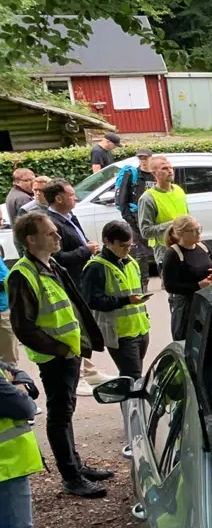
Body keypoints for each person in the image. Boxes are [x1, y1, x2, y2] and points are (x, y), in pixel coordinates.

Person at [6, 212, 111, 498]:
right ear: (31, 239)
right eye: (50, 233)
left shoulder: (50, 265)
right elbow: (23, 327)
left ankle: (75, 465)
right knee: (59, 415)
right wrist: (61, 349)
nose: (58, 236)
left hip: (68, 353)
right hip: (55, 357)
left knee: (66, 410)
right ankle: (71, 476)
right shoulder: (23, 274)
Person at [0, 355, 63, 528]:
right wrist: (21, 389)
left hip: (7, 466)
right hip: (5, 467)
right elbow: (24, 405)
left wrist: (19, 381)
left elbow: (14, 370)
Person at [80, 221, 150, 382]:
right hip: (119, 334)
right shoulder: (96, 267)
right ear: (107, 242)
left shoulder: (131, 262)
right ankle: (130, 405)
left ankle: (132, 404)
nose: (127, 250)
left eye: (130, 245)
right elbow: (91, 300)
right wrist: (125, 300)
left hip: (140, 328)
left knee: (135, 375)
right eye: (122, 246)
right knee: (131, 377)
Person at [161, 215, 212, 341]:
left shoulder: (203, 246)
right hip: (187, 308)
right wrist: (197, 285)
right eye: (193, 230)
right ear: (181, 233)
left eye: (199, 228)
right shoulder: (173, 254)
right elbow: (170, 286)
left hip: (208, 301)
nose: (198, 232)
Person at [37, 180, 99, 280]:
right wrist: (86, 250)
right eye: (71, 195)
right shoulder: (51, 224)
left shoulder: (70, 216)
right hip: (73, 279)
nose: (76, 198)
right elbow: (57, 257)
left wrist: (88, 244)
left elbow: (77, 239)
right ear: (58, 199)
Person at [114, 148, 155, 285]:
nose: (143, 161)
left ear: (151, 158)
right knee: (141, 252)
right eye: (140, 158)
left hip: (156, 218)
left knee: (161, 249)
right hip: (137, 219)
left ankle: (165, 278)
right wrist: (130, 219)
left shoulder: (156, 175)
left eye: (146, 158)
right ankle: (143, 282)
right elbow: (122, 200)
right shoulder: (134, 175)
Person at [136, 156, 187, 259]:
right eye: (164, 168)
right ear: (154, 174)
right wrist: (173, 224)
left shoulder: (178, 190)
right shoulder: (148, 198)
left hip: (186, 245)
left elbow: (187, 216)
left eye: (171, 167)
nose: (170, 171)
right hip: (165, 251)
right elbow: (146, 231)